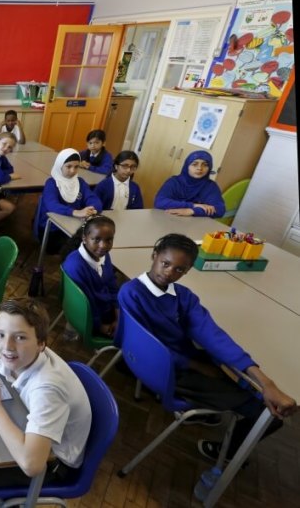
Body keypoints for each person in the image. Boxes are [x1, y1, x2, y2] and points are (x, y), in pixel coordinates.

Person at [118, 234, 297, 463]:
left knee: (240, 376)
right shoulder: (131, 293)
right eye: (165, 263)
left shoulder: (184, 297)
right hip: (167, 370)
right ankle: (226, 455)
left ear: (188, 271)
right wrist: (196, 365)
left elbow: (212, 335)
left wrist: (266, 382)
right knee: (267, 416)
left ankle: (229, 402)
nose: (170, 272)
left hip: (173, 362)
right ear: (154, 256)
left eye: (179, 269)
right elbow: (151, 347)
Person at [0, 298, 91, 507]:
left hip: (54, 461)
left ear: (41, 343)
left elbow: (32, 464)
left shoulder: (47, 389)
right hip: (31, 425)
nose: (6, 346)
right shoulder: (18, 348)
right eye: (1, 335)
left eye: (20, 337)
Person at [34, 148, 102, 254]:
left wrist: (92, 209)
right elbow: (52, 205)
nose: (72, 171)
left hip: (74, 225)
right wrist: (75, 212)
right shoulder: (51, 183)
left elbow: (93, 199)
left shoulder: (80, 182)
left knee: (94, 242)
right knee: (82, 247)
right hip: (51, 230)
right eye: (68, 166)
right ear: (60, 165)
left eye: (76, 167)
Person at [61, 215, 119, 337]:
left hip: (108, 310)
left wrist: (118, 314)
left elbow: (112, 285)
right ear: (85, 238)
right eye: (96, 239)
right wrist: (101, 326)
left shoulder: (103, 255)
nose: (103, 245)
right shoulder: (75, 266)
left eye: (109, 240)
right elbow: (86, 304)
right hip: (94, 319)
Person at [154, 150, 225, 217]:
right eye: (194, 164)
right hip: (168, 218)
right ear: (187, 166)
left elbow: (220, 210)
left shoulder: (211, 186)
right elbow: (160, 202)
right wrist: (193, 205)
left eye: (205, 165)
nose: (199, 168)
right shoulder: (174, 182)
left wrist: (191, 211)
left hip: (196, 224)